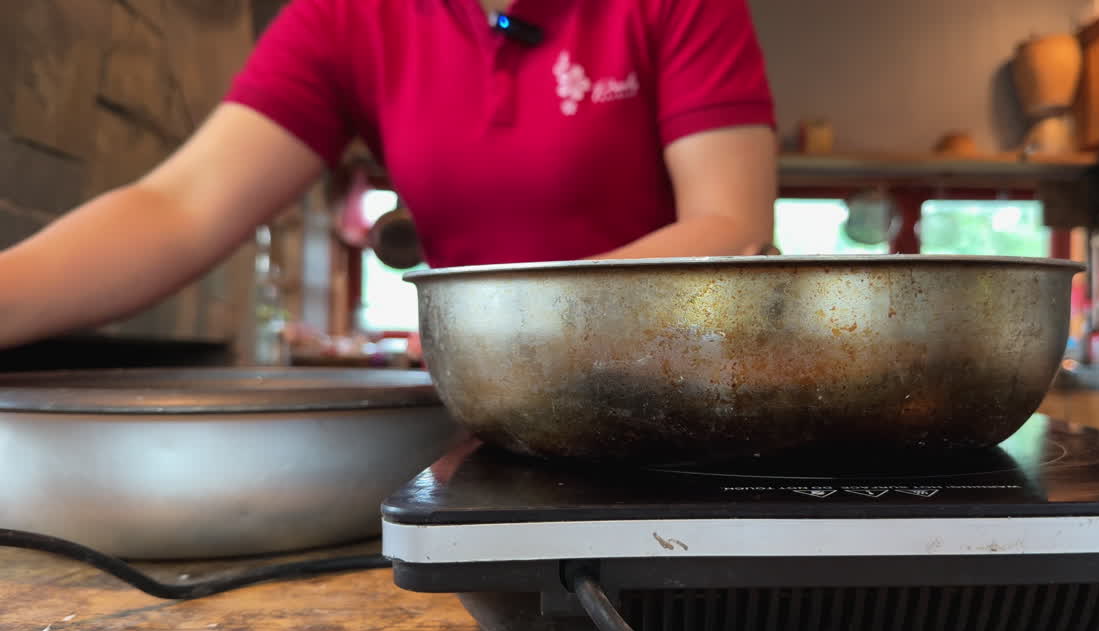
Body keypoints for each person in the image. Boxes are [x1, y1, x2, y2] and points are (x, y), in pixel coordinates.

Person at [0, 0, 778, 351]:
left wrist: (497, 326)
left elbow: (729, 224)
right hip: (493, 402)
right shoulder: (347, 16)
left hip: (679, 381)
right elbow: (181, 204)